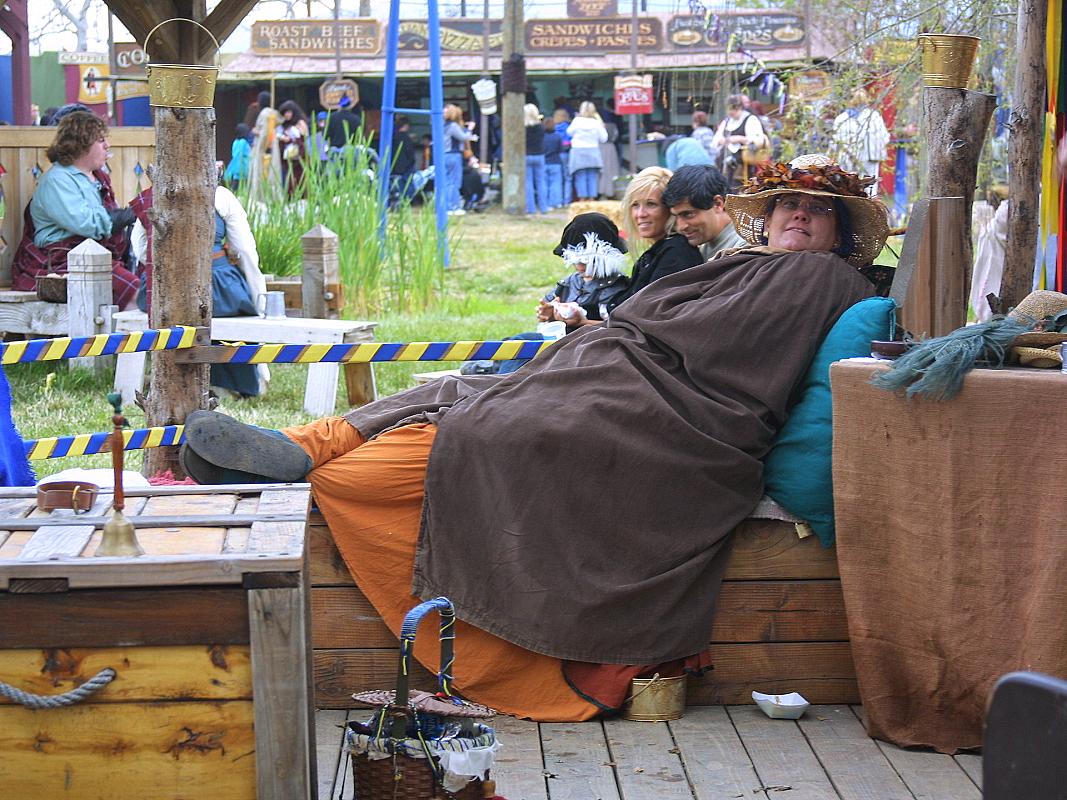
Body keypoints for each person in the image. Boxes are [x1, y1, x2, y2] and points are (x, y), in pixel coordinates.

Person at [178, 155, 889, 721]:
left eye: (818, 209)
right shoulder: (756, 265)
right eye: (789, 204)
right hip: (627, 376)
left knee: (484, 421)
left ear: (840, 233)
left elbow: (712, 344)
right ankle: (304, 446)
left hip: (676, 416)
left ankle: (308, 457)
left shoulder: (822, 278)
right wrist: (614, 335)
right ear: (768, 217)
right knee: (462, 391)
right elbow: (664, 319)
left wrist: (623, 335)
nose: (800, 215)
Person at [130, 185, 269, 398]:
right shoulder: (220, 195)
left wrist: (164, 270)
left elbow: (140, 248)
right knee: (231, 308)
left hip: (161, 289)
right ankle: (230, 385)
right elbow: (244, 250)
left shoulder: (150, 195)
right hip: (216, 290)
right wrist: (257, 295)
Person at [11, 111, 139, 309]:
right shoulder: (57, 180)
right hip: (61, 261)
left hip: (92, 257)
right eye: (100, 140)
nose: (107, 145)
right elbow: (86, 224)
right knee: (135, 293)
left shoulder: (97, 178)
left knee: (145, 283)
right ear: (81, 144)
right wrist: (125, 216)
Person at [662, 164, 746, 260]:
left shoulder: (743, 249)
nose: (681, 227)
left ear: (718, 204)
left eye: (688, 214)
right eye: (676, 216)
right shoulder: (705, 244)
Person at [830, 88, 890, 196]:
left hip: (853, 159)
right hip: (864, 158)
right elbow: (884, 137)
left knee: (849, 185)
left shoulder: (841, 118)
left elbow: (835, 143)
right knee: (868, 185)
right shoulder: (874, 116)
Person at [712, 94, 769, 190]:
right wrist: (726, 140)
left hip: (744, 161)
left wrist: (740, 139)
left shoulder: (750, 119)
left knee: (738, 186)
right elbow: (716, 139)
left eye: (734, 109)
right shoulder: (727, 121)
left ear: (739, 108)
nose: (731, 112)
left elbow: (757, 140)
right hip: (725, 159)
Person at [566, 101, 608, 201]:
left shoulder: (576, 121)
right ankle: (592, 198)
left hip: (578, 150)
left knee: (580, 175)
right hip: (593, 150)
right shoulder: (596, 123)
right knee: (592, 176)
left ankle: (582, 198)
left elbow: (569, 133)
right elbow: (604, 138)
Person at [442, 104, 477, 215]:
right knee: (455, 182)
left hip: (444, 155)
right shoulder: (453, 126)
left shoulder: (443, 125)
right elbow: (463, 138)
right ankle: (454, 206)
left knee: (447, 182)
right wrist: (469, 130)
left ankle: (446, 207)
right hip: (453, 155)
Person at [248, 91, 281, 201]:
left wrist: (256, 132)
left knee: (263, 171)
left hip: (264, 147)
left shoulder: (265, 114)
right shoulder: (273, 113)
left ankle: (261, 196)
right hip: (272, 145)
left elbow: (266, 132)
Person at [277, 100, 309, 197]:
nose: (286, 115)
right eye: (284, 113)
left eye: (288, 112)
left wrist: (292, 140)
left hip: (300, 157)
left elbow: (304, 138)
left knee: (301, 179)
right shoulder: (283, 126)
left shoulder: (300, 123)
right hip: (288, 158)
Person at [524, 103, 549, 215]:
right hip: (539, 155)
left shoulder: (523, 128)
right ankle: (543, 207)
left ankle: (531, 208)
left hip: (526, 155)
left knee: (528, 182)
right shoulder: (541, 127)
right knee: (541, 181)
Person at [389, 115, 418, 206]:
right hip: (406, 167)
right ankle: (407, 202)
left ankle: (395, 202)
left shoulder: (392, 137)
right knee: (408, 186)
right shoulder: (407, 138)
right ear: (406, 126)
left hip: (394, 166)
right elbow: (410, 154)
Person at [553, 108, 573, 205]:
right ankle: (567, 200)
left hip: (555, 155)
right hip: (566, 154)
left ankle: (557, 200)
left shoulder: (553, 128)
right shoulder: (569, 128)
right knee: (568, 178)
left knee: (557, 179)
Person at [543, 118, 564, 210]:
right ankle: (556, 202)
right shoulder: (557, 137)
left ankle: (545, 203)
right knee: (556, 184)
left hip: (544, 162)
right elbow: (560, 149)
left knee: (544, 184)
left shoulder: (542, 137)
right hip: (555, 162)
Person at [223, 123, 253, 187]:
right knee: (239, 185)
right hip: (242, 167)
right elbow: (239, 155)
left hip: (237, 167)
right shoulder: (243, 142)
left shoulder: (236, 142)